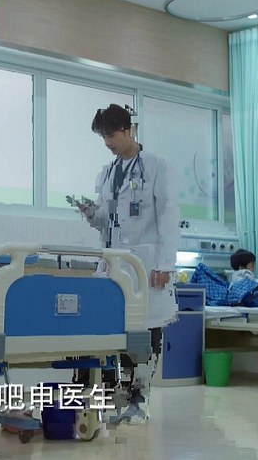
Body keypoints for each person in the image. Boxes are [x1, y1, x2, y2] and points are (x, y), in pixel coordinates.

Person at [75, 104, 180, 423]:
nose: (107, 142)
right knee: (111, 331)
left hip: (146, 264)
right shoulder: (107, 173)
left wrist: (165, 264)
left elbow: (169, 217)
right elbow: (107, 220)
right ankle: (112, 396)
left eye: (111, 135)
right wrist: (91, 213)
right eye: (103, 137)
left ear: (128, 130)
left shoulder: (157, 166)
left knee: (147, 329)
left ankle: (140, 399)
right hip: (113, 264)